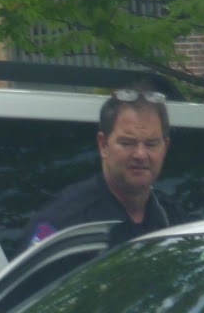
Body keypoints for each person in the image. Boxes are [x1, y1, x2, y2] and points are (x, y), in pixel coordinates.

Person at [27, 83, 185, 245]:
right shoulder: (64, 223)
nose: (140, 154)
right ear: (103, 145)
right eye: (127, 142)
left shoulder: (171, 217)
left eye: (151, 144)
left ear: (165, 147)